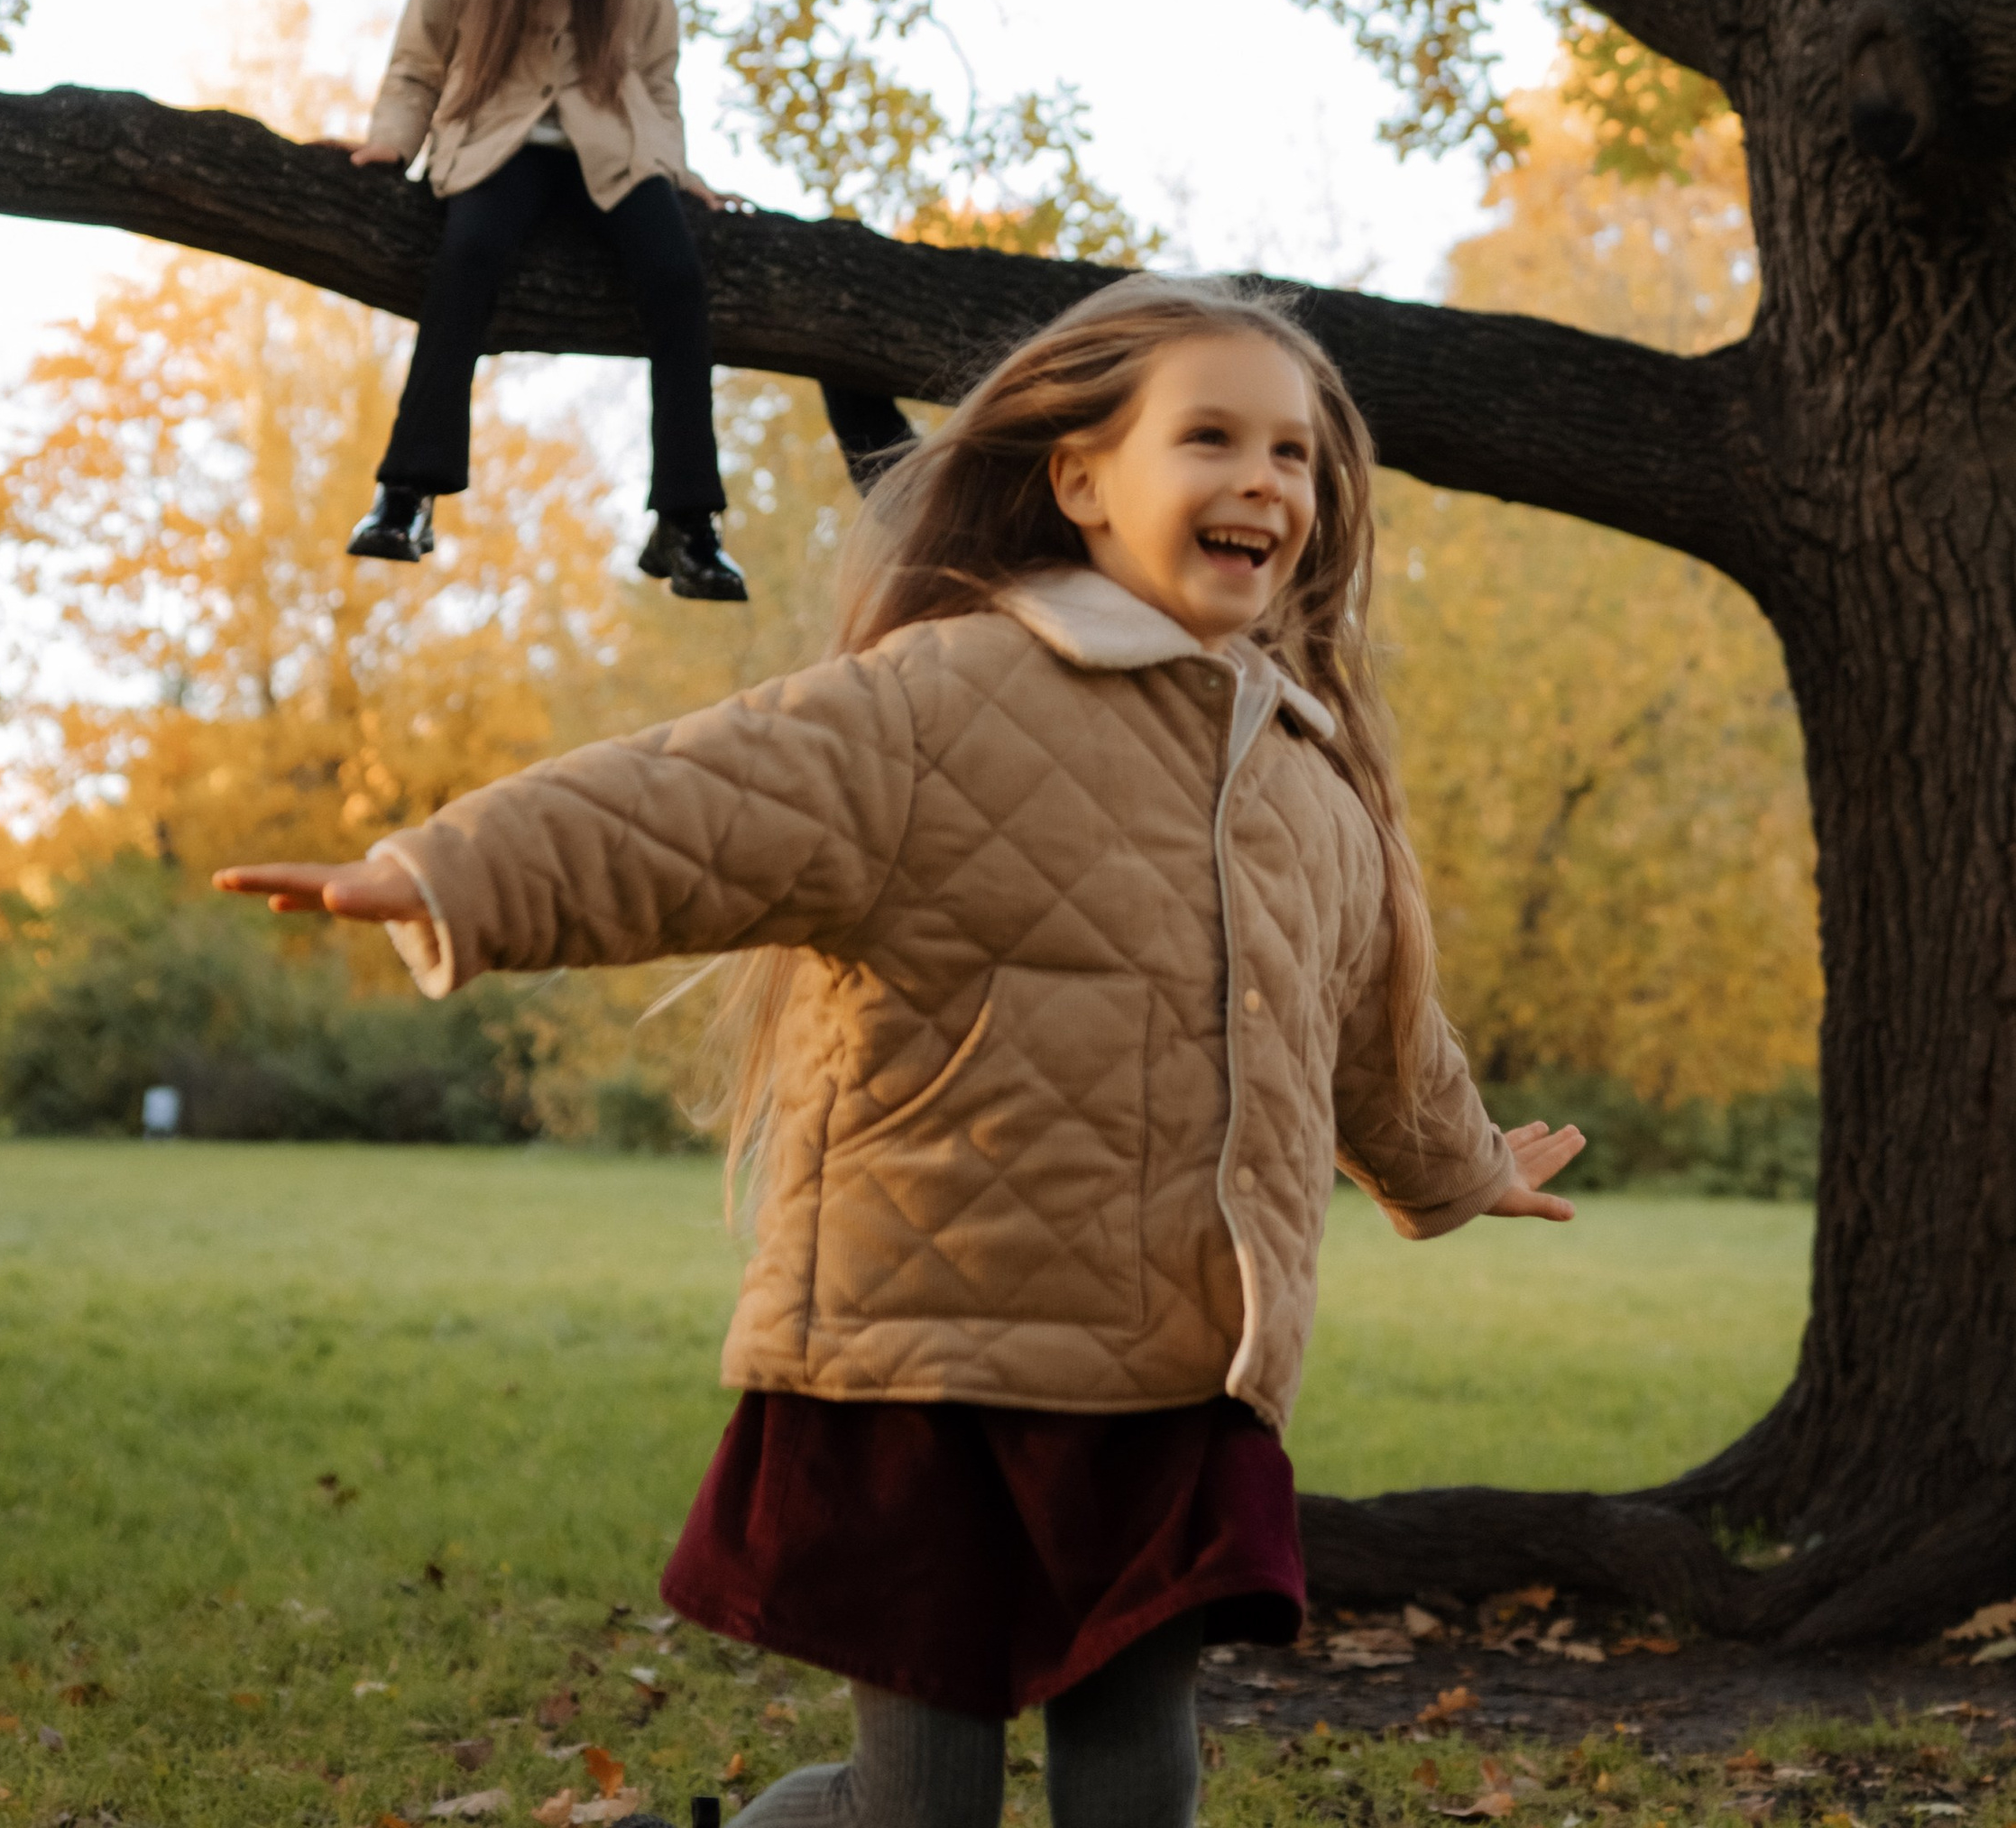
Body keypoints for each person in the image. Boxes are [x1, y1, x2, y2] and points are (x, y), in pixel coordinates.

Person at [221, 273, 1583, 1828]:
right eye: (1211, 437)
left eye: (1296, 457)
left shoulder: (1311, 786)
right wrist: (451, 869)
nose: (1265, 480)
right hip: (932, 1361)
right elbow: (695, 802)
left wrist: (1460, 1163)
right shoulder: (943, 701)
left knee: (1140, 1784)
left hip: (1174, 1377)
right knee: (920, 1810)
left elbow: (1363, 1028)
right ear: (1080, 480)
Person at [345, 0, 745, 601]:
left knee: (677, 277)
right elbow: (417, 65)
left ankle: (688, 522)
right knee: (470, 255)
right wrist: (392, 141)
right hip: (501, 144)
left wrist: (677, 172)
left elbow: (658, 82)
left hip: (613, 152)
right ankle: (405, 493)